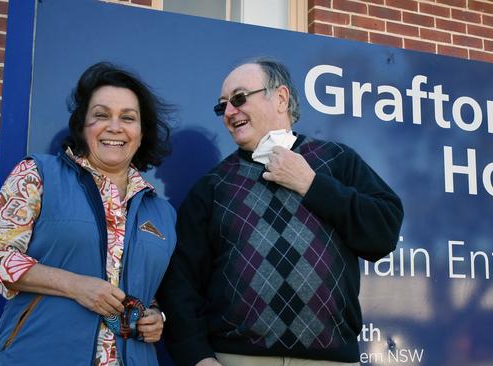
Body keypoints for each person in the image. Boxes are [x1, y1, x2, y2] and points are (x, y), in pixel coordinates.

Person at [158, 58, 404, 366]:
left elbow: (383, 232)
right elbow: (181, 282)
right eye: (223, 106)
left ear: (281, 98)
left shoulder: (337, 160)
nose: (230, 112)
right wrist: (197, 357)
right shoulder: (213, 186)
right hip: (237, 359)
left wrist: (311, 184)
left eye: (239, 98)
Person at [0, 62, 177, 365]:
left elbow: (148, 287)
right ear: (82, 126)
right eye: (101, 115)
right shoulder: (37, 175)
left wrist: (155, 316)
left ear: (142, 133)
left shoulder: (162, 212)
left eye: (128, 118)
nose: (115, 127)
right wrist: (77, 286)